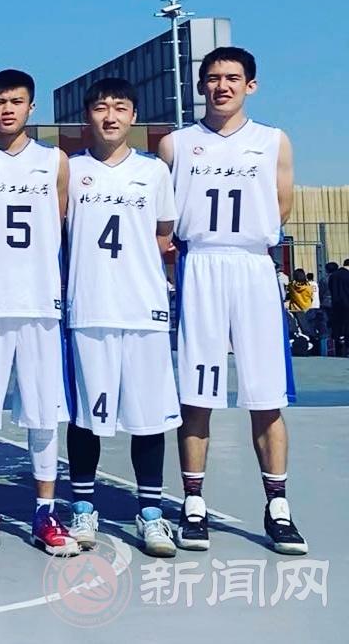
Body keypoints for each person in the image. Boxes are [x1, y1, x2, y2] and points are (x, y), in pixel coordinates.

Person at [158, 46, 307, 554]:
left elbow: (280, 207)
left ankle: (278, 506)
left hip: (251, 266)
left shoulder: (273, 141)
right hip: (200, 264)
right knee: (197, 393)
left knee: (266, 396)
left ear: (250, 85)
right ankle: (193, 502)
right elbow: (165, 217)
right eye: (214, 78)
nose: (222, 86)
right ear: (201, 85)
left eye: (233, 78)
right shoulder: (176, 144)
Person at [0, 68, 77, 559]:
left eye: (17, 101)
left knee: (44, 411)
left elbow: (59, 222)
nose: (8, 109)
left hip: (40, 301)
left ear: (31, 107)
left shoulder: (55, 161)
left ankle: (46, 511)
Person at [63, 78, 180, 558]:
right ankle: (83, 507)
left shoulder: (153, 172)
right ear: (87, 115)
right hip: (89, 307)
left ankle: (150, 513)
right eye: (100, 107)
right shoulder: (69, 170)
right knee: (86, 415)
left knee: (148, 416)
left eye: (120, 107)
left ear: (133, 115)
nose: (109, 116)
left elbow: (164, 233)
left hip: (143, 310)